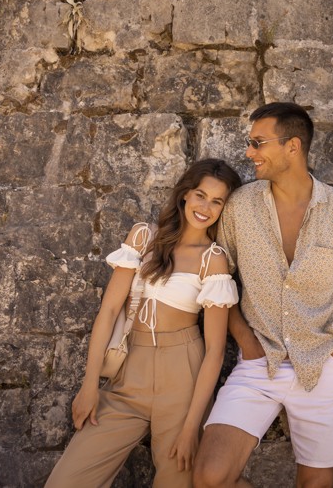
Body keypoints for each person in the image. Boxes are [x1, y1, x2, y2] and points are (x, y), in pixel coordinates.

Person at [193, 103, 333, 488]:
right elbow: (219, 278)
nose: (249, 152)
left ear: (292, 147)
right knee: (209, 477)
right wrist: (245, 340)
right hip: (257, 364)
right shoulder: (239, 206)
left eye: (258, 143)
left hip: (322, 365)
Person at [46, 158, 243, 488]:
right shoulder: (143, 236)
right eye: (200, 195)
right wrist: (89, 384)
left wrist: (191, 427)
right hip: (127, 376)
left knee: (175, 481)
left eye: (216, 201)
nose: (205, 207)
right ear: (185, 194)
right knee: (67, 481)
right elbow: (108, 311)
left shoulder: (214, 258)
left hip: (183, 377)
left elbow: (214, 352)